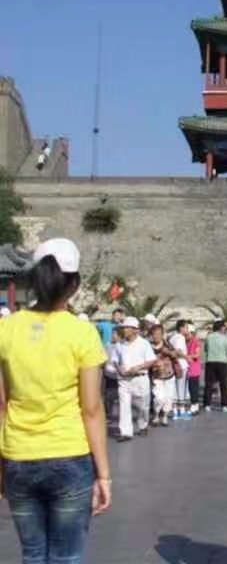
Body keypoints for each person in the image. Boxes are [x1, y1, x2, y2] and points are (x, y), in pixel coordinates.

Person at [0, 237, 111, 564]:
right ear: (74, 285)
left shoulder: (6, 328)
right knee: (66, 557)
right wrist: (104, 475)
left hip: (19, 456)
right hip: (68, 456)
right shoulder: (82, 333)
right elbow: (91, 409)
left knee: (33, 555)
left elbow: (2, 406)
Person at [114, 316, 157, 442]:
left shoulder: (144, 344)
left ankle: (143, 424)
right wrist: (119, 369)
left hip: (140, 379)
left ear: (135, 330)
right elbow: (115, 360)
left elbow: (151, 360)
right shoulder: (120, 344)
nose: (124, 330)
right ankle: (126, 432)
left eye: (127, 327)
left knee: (143, 406)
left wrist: (138, 367)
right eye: (124, 327)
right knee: (124, 405)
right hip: (124, 380)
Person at [149, 324, 176, 427]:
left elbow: (175, 355)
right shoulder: (149, 347)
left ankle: (165, 416)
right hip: (157, 376)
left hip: (169, 375)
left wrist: (168, 352)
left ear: (162, 334)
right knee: (159, 398)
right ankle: (156, 415)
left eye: (158, 334)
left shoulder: (167, 344)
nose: (156, 336)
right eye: (154, 334)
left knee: (169, 397)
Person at [203, 320, 227, 412]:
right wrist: (226, 359)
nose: (224, 329)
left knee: (209, 384)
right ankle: (224, 405)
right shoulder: (224, 338)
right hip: (222, 362)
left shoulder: (208, 337)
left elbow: (206, 349)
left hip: (210, 361)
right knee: (223, 384)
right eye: (224, 327)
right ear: (220, 328)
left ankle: (207, 404)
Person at [168, 320, 190, 419]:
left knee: (174, 389)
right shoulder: (180, 337)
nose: (187, 329)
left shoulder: (172, 337)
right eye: (186, 327)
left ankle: (175, 411)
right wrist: (186, 357)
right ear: (181, 328)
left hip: (174, 365)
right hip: (181, 365)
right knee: (181, 388)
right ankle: (182, 411)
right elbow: (178, 350)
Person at [186, 323, 202, 415]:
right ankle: (194, 405)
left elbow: (197, 354)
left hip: (194, 368)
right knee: (190, 387)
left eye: (188, 334)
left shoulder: (196, 342)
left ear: (192, 333)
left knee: (193, 387)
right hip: (188, 368)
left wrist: (189, 356)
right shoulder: (185, 342)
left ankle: (194, 404)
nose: (186, 336)